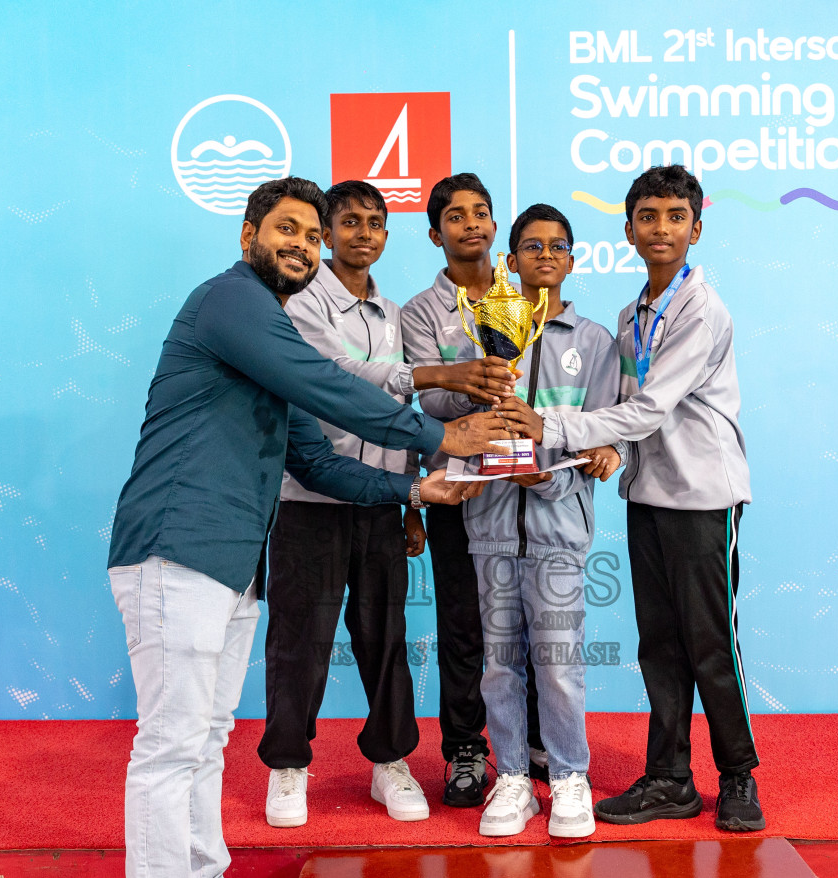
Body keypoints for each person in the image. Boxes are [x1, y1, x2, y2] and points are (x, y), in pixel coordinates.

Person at [106, 177, 506, 878]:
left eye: (309, 235)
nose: (302, 244)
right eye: (285, 229)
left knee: (209, 737)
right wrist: (437, 434)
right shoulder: (231, 302)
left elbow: (314, 459)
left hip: (230, 560)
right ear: (250, 232)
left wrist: (413, 491)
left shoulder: (266, 330)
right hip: (176, 546)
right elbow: (329, 388)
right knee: (173, 745)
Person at [499, 165, 764, 834]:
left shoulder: (701, 310)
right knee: (660, 646)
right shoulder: (631, 313)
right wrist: (605, 451)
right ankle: (670, 777)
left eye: (676, 217)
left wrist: (551, 427)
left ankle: (738, 778)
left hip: (703, 497)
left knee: (711, 645)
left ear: (696, 228)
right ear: (628, 230)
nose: (661, 228)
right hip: (648, 495)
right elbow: (622, 412)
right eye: (648, 217)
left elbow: (646, 409)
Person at [260, 180, 518, 830]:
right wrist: (433, 373)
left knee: (386, 640)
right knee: (301, 641)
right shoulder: (302, 303)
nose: (364, 234)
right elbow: (333, 381)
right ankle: (289, 766)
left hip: (381, 499)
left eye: (375, 223)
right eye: (348, 222)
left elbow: (401, 416)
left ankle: (391, 762)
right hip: (309, 496)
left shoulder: (393, 313)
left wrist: (409, 502)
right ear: (327, 232)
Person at [429, 203, 625, 838]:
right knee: (498, 662)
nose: (545, 254)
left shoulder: (594, 343)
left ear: (571, 261)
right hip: (488, 526)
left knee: (560, 661)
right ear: (509, 262)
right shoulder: (478, 334)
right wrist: (471, 394)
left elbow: (604, 434)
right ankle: (513, 777)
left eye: (557, 246)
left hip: (558, 528)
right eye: (531, 246)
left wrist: (546, 477)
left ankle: (570, 778)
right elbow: (441, 408)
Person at [402, 172, 548, 806]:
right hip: (459, 490)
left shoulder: (529, 299)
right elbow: (423, 398)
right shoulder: (417, 313)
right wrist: (475, 382)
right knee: (463, 622)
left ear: (495, 226)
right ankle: (465, 748)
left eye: (481, 213)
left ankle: (538, 740)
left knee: (533, 620)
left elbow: (552, 391)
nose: (471, 224)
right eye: (455, 216)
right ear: (436, 234)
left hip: (524, 488)